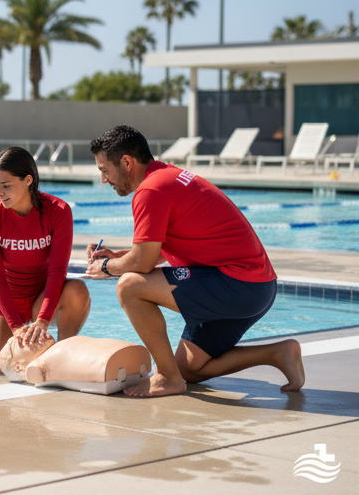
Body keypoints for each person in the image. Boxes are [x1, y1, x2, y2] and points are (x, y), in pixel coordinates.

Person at [84, 124, 304, 397]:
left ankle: (166, 377)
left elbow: (142, 263)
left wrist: (106, 267)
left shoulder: (151, 190)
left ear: (127, 162)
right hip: (256, 287)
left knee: (129, 286)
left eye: (104, 170)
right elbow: (160, 249)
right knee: (189, 369)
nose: (104, 179)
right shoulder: (167, 176)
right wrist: (119, 257)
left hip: (238, 285)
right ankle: (279, 353)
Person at [0, 146, 90, 374]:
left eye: (5, 186)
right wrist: (16, 327)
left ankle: (63, 354)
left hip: (42, 295)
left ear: (28, 180)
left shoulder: (58, 211)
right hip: (2, 298)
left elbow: (58, 270)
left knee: (78, 289)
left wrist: (43, 321)